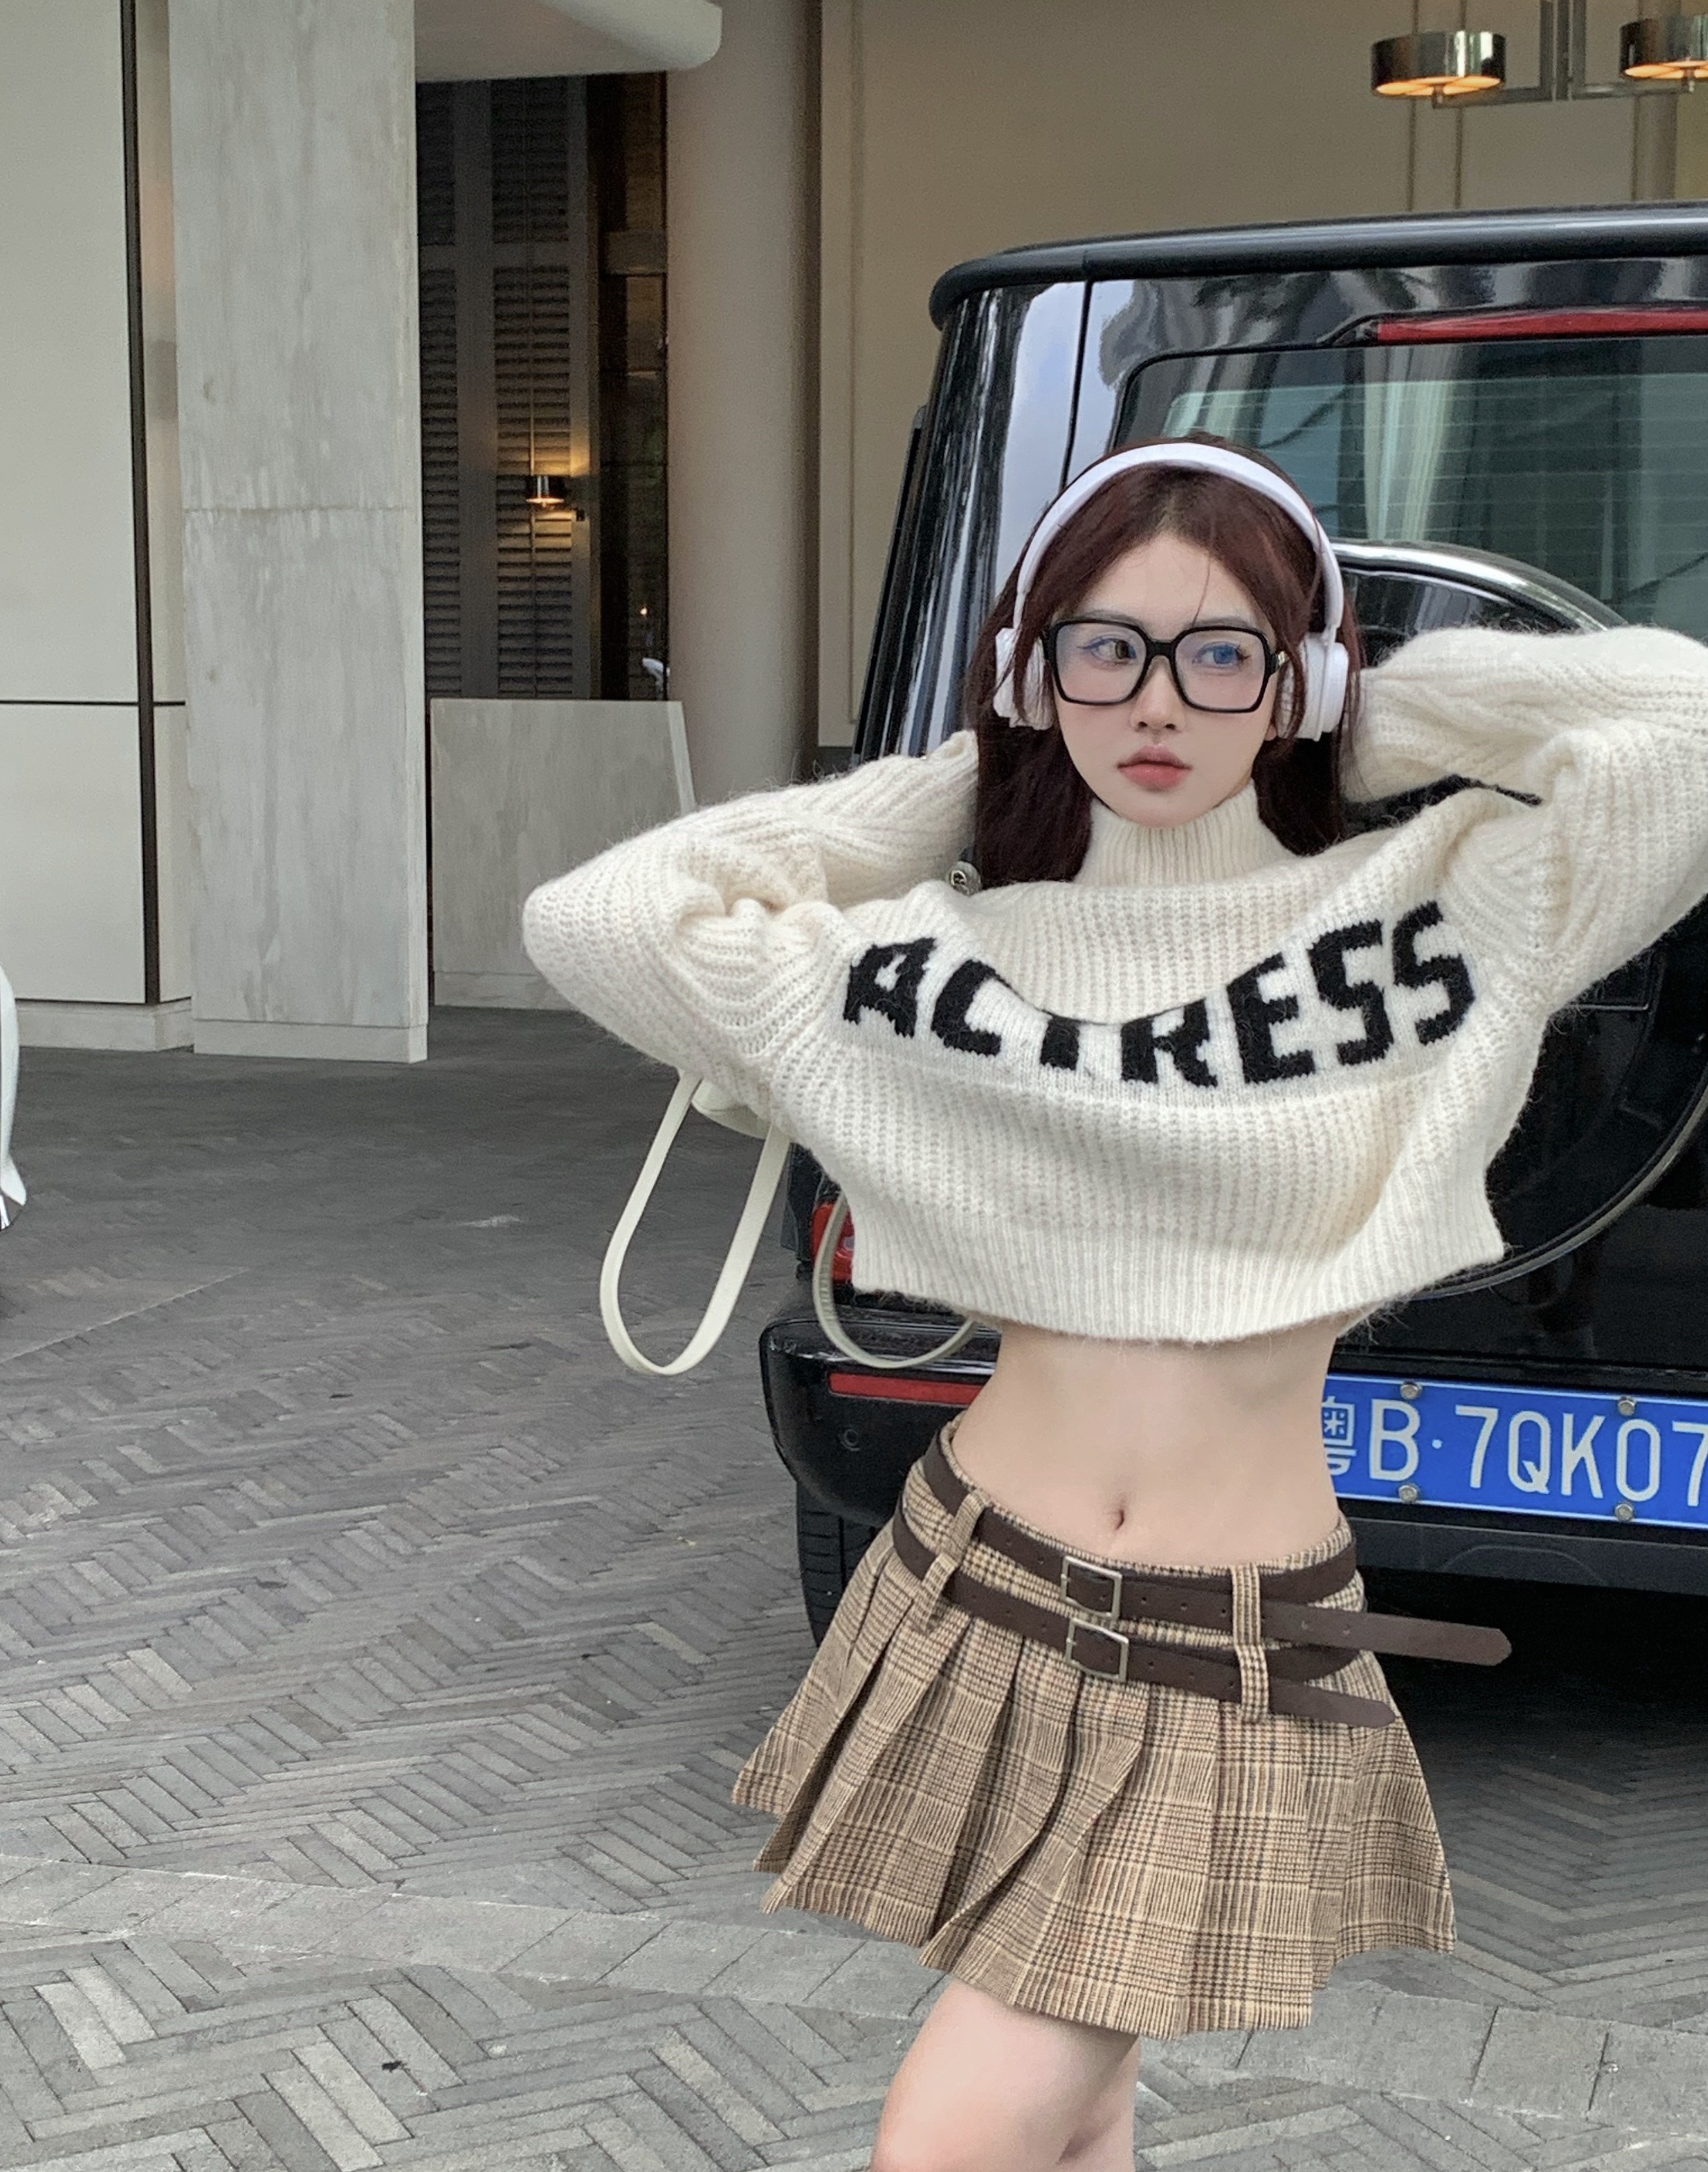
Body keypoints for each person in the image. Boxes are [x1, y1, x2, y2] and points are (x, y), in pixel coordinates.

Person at [522, 436, 1708, 2172]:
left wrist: (1370, 714)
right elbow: (603, 917)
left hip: (1229, 1631)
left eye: (1221, 652)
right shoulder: (933, 959)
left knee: (956, 2137)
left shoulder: (1444, 911)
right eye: (1105, 648)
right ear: (1035, 667)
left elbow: (1688, 732)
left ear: (1297, 675)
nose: (1158, 699)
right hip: (980, 1579)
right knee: (1075, 2109)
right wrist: (966, 775)